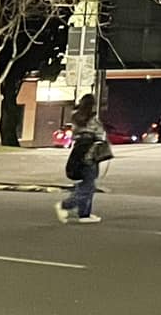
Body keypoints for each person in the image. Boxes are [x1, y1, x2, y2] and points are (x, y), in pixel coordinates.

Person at [55, 95, 109, 225]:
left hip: (79, 152)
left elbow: (75, 135)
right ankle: (65, 205)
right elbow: (100, 135)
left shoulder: (76, 117)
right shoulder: (92, 119)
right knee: (89, 184)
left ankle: (84, 213)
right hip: (91, 153)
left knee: (87, 183)